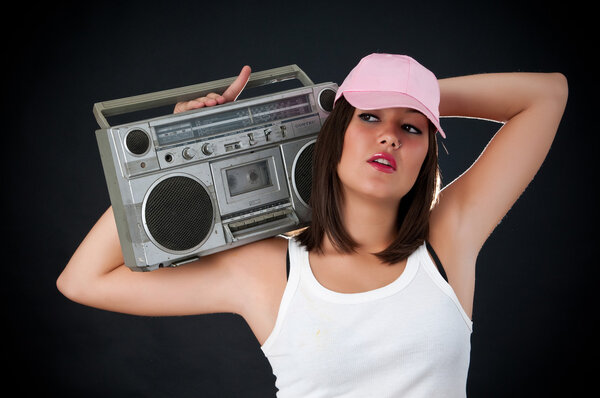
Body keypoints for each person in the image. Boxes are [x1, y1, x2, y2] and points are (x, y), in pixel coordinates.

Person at [57, 54, 568, 397]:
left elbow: (546, 95)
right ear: (333, 132)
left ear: (424, 159)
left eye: (410, 127)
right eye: (369, 117)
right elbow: (82, 280)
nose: (389, 135)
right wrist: (170, 153)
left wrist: (418, 95)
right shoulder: (267, 272)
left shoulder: (448, 242)